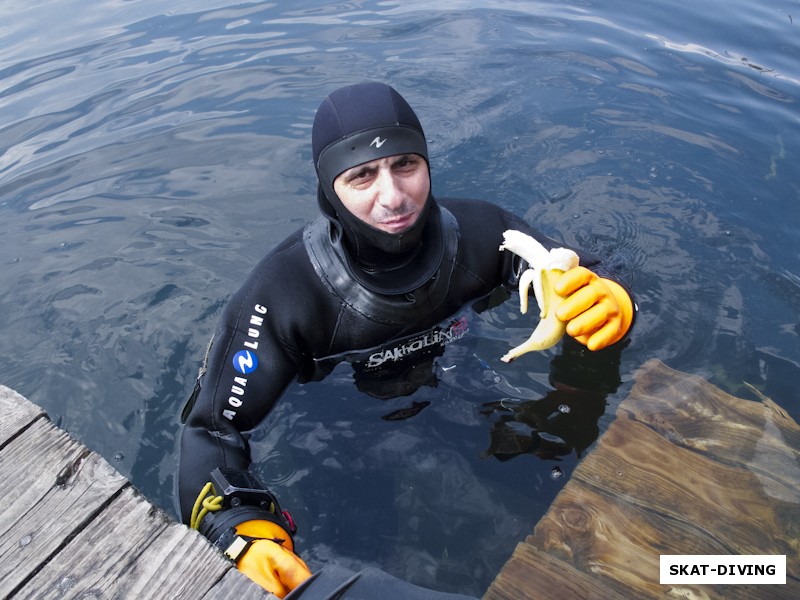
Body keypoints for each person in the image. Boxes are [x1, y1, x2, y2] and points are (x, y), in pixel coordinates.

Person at [176, 81, 635, 599]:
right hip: (337, 433)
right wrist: (241, 530)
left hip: (461, 397)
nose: (392, 196)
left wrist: (617, 303)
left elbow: (583, 274)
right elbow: (210, 431)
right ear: (329, 189)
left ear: (428, 163)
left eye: (406, 165)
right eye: (362, 175)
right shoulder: (285, 293)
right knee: (355, 542)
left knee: (562, 460)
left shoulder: (484, 234)